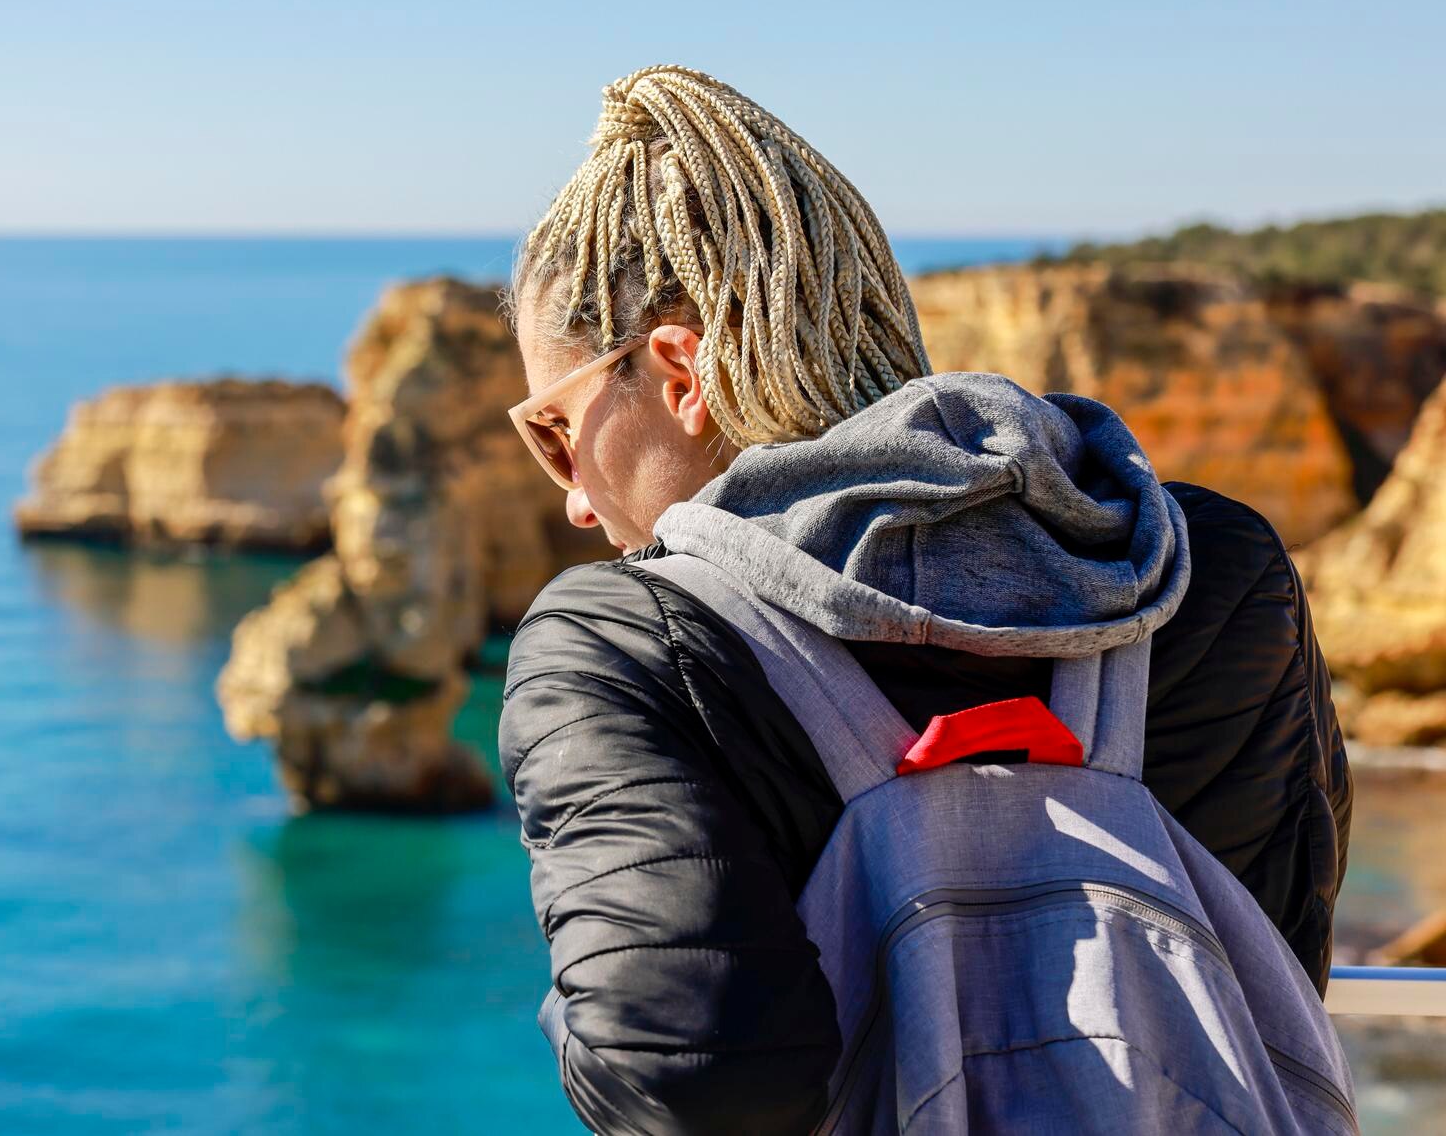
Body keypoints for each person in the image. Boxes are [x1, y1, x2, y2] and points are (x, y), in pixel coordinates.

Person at [495, 64, 1353, 1134]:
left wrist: (570, 999)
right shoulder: (1208, 567)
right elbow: (1272, 952)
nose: (574, 500)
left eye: (553, 429)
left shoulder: (619, 644)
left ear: (678, 372)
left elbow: (690, 1076)